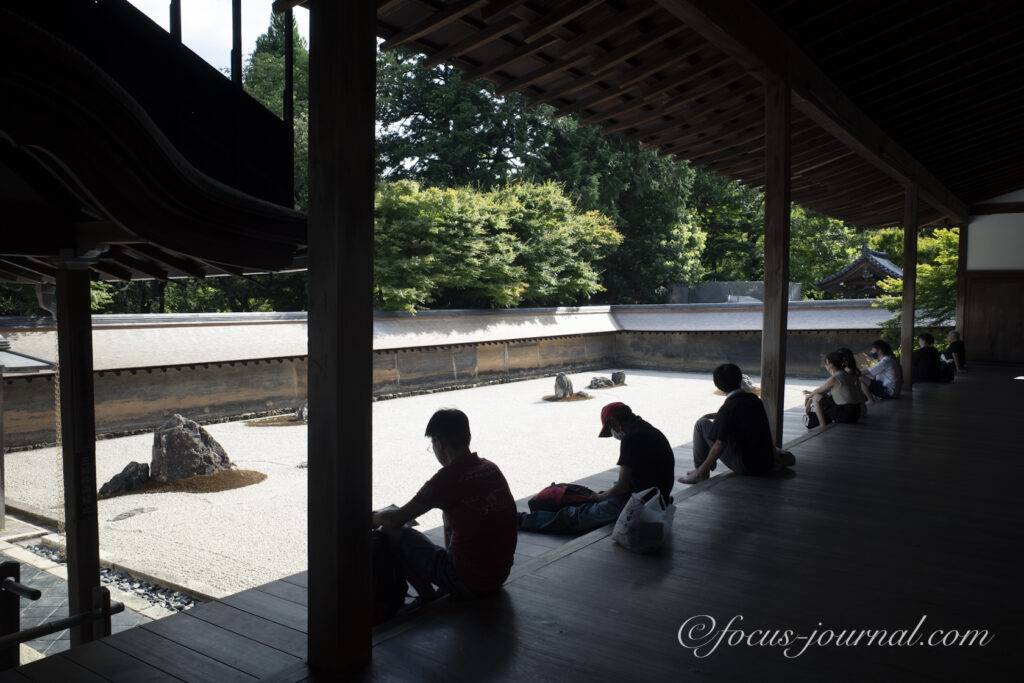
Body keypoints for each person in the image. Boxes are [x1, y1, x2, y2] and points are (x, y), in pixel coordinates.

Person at [372, 408, 517, 599]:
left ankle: (427, 595)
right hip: (498, 577)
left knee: (389, 532)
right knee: (449, 512)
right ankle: (450, 576)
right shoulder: (490, 468)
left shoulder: (447, 479)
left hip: (469, 582)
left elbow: (395, 520)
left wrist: (373, 518)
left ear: (439, 442)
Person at [518, 402, 674, 534]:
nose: (614, 434)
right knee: (593, 502)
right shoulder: (648, 429)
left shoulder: (631, 438)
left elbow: (622, 486)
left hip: (640, 503)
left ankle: (520, 520)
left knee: (574, 517)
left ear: (615, 422)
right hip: (658, 497)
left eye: (610, 429)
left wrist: (600, 497)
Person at [680, 363, 791, 484]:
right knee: (707, 423)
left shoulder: (727, 409)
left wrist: (710, 417)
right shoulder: (754, 400)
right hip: (766, 462)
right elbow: (737, 415)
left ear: (719, 387)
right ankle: (701, 470)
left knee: (701, 424)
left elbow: (719, 446)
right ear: (740, 379)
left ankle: (701, 472)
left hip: (747, 465)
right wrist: (714, 415)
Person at [804, 351, 862, 428]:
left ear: (831, 364)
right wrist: (809, 400)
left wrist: (808, 398)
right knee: (819, 397)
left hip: (847, 415)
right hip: (856, 413)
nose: (825, 365)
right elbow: (822, 392)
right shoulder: (846, 374)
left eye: (826, 363)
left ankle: (822, 425)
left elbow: (818, 392)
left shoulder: (834, 378)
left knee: (816, 397)